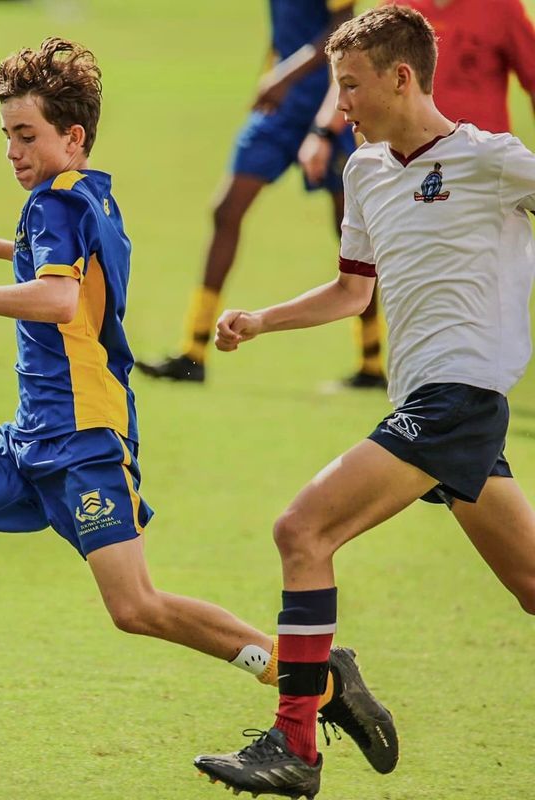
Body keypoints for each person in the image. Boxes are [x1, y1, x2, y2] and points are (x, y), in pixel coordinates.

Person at [0, 37, 395, 785]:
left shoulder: (54, 202)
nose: (13, 152)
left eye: (27, 135)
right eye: (7, 136)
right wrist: (3, 246)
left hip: (84, 441)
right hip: (28, 439)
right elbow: (80, 269)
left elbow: (59, 299)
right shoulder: (88, 192)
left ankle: (313, 678)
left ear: (73, 135)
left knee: (136, 607)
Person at [195, 7, 535, 798]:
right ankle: (325, 690)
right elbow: (353, 291)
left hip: (459, 398)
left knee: (301, 530)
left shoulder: (493, 160)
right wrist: (264, 319)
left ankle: (296, 745)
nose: (340, 104)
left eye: (350, 86)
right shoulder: (366, 171)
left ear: (401, 78)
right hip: (433, 404)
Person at [135, 0, 389, 390]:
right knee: (226, 210)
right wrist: (272, 73)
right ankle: (194, 351)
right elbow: (285, 27)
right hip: (281, 109)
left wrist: (285, 75)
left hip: (328, 106)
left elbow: (343, 26)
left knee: (350, 233)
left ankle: (371, 362)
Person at [299, 0, 535, 187]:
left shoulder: (501, 7)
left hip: (480, 166)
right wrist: (322, 132)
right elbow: (356, 74)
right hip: (409, 162)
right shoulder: (399, 8)